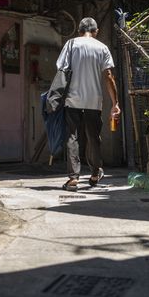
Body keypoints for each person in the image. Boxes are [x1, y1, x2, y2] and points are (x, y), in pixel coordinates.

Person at [57, 17, 120, 191]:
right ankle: (94, 173)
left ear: (79, 30)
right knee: (93, 137)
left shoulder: (71, 44)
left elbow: (61, 69)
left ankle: (73, 178)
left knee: (72, 137)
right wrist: (115, 103)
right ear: (96, 31)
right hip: (94, 101)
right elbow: (108, 76)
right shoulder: (102, 48)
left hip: (72, 99)